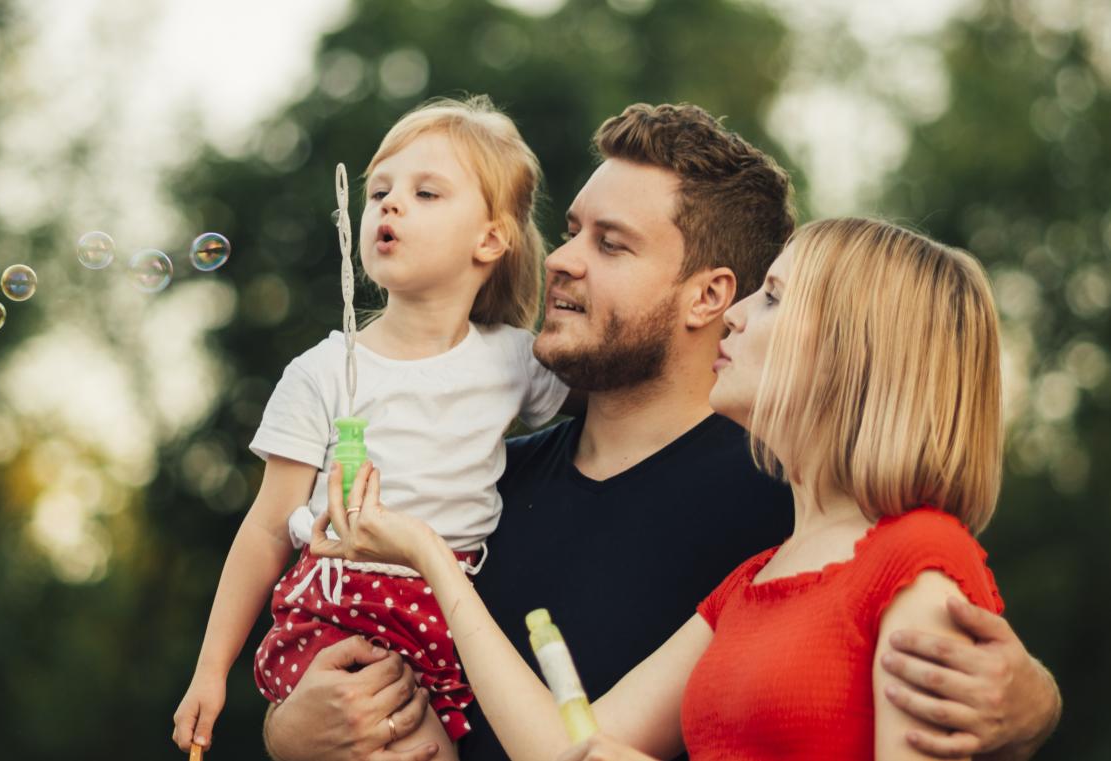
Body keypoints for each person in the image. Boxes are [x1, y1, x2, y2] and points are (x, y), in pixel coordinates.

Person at [263, 104, 1061, 761]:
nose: (562, 262)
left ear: (709, 296)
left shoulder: (786, 503)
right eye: (571, 230)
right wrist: (291, 728)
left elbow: (940, 633)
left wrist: (1033, 705)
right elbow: (569, 742)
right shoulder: (475, 481)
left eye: (610, 243)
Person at [171, 94, 570, 759]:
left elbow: (610, 400)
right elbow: (270, 526)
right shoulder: (321, 371)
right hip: (333, 607)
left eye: (426, 192)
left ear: (491, 239)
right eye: (379, 190)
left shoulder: (513, 358)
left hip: (446, 617)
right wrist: (211, 669)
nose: (389, 204)